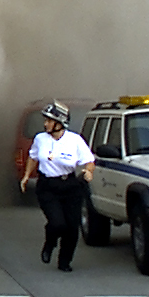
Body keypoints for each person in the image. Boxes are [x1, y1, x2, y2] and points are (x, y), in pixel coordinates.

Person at [20, 101, 94, 272]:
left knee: (72, 227)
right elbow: (33, 157)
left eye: (49, 120)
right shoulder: (40, 139)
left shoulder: (74, 140)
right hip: (48, 186)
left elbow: (89, 161)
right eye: (45, 120)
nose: (45, 123)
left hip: (70, 185)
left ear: (59, 122)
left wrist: (88, 171)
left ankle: (64, 261)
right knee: (57, 223)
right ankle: (50, 243)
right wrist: (25, 175)